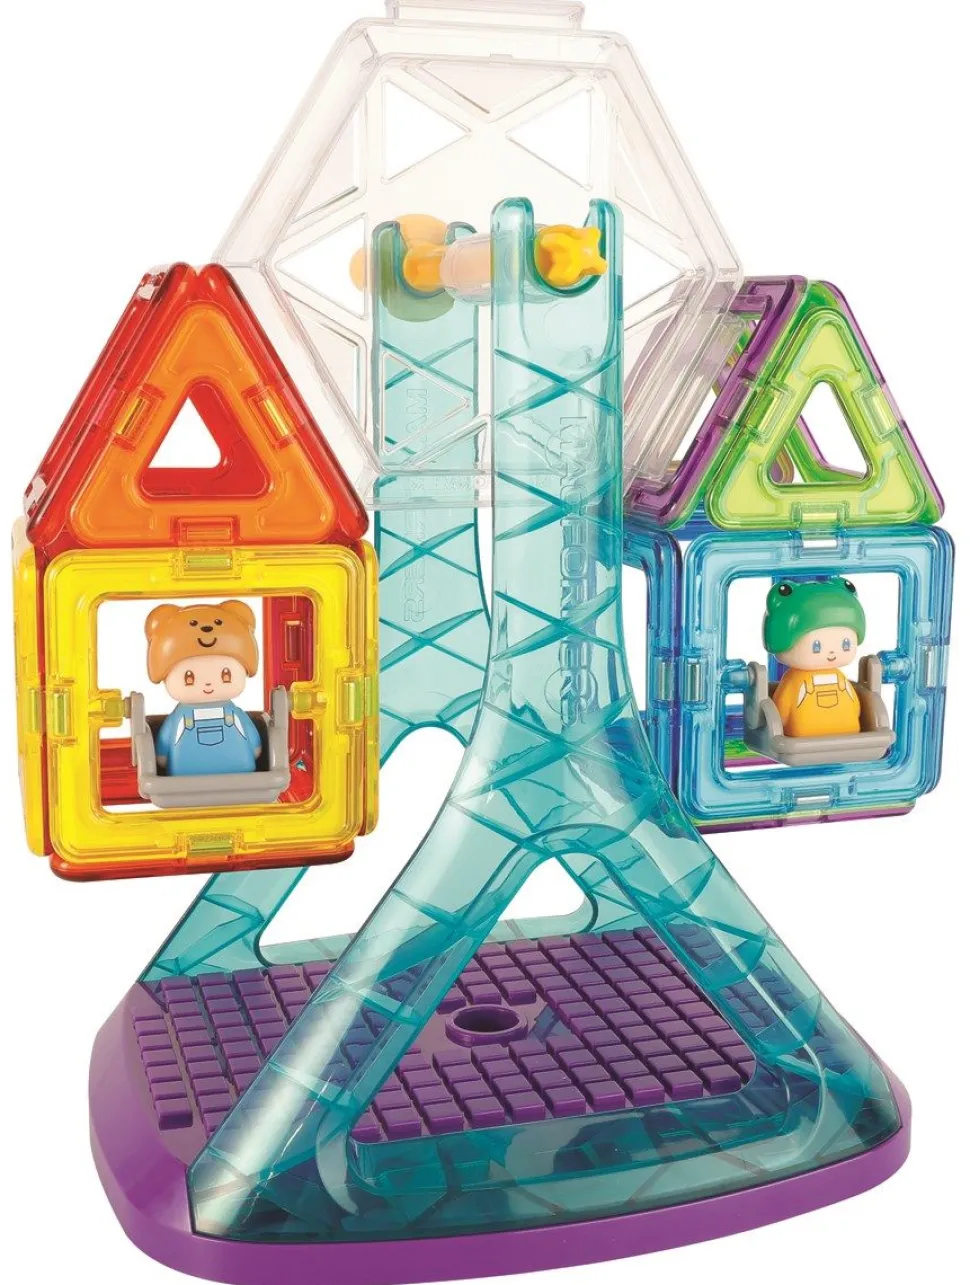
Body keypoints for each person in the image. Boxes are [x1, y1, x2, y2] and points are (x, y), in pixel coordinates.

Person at [145, 600, 263, 775]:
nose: (208, 684)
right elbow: (164, 740)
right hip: (185, 771)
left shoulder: (233, 713)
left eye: (225, 675)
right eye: (189, 677)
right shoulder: (180, 717)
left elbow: (252, 737)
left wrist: (162, 756)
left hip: (238, 770)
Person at [762, 578, 866, 738]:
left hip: (846, 735)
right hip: (802, 738)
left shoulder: (840, 677)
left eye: (845, 644)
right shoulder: (793, 681)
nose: (831, 653)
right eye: (817, 646)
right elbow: (782, 711)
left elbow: (856, 707)